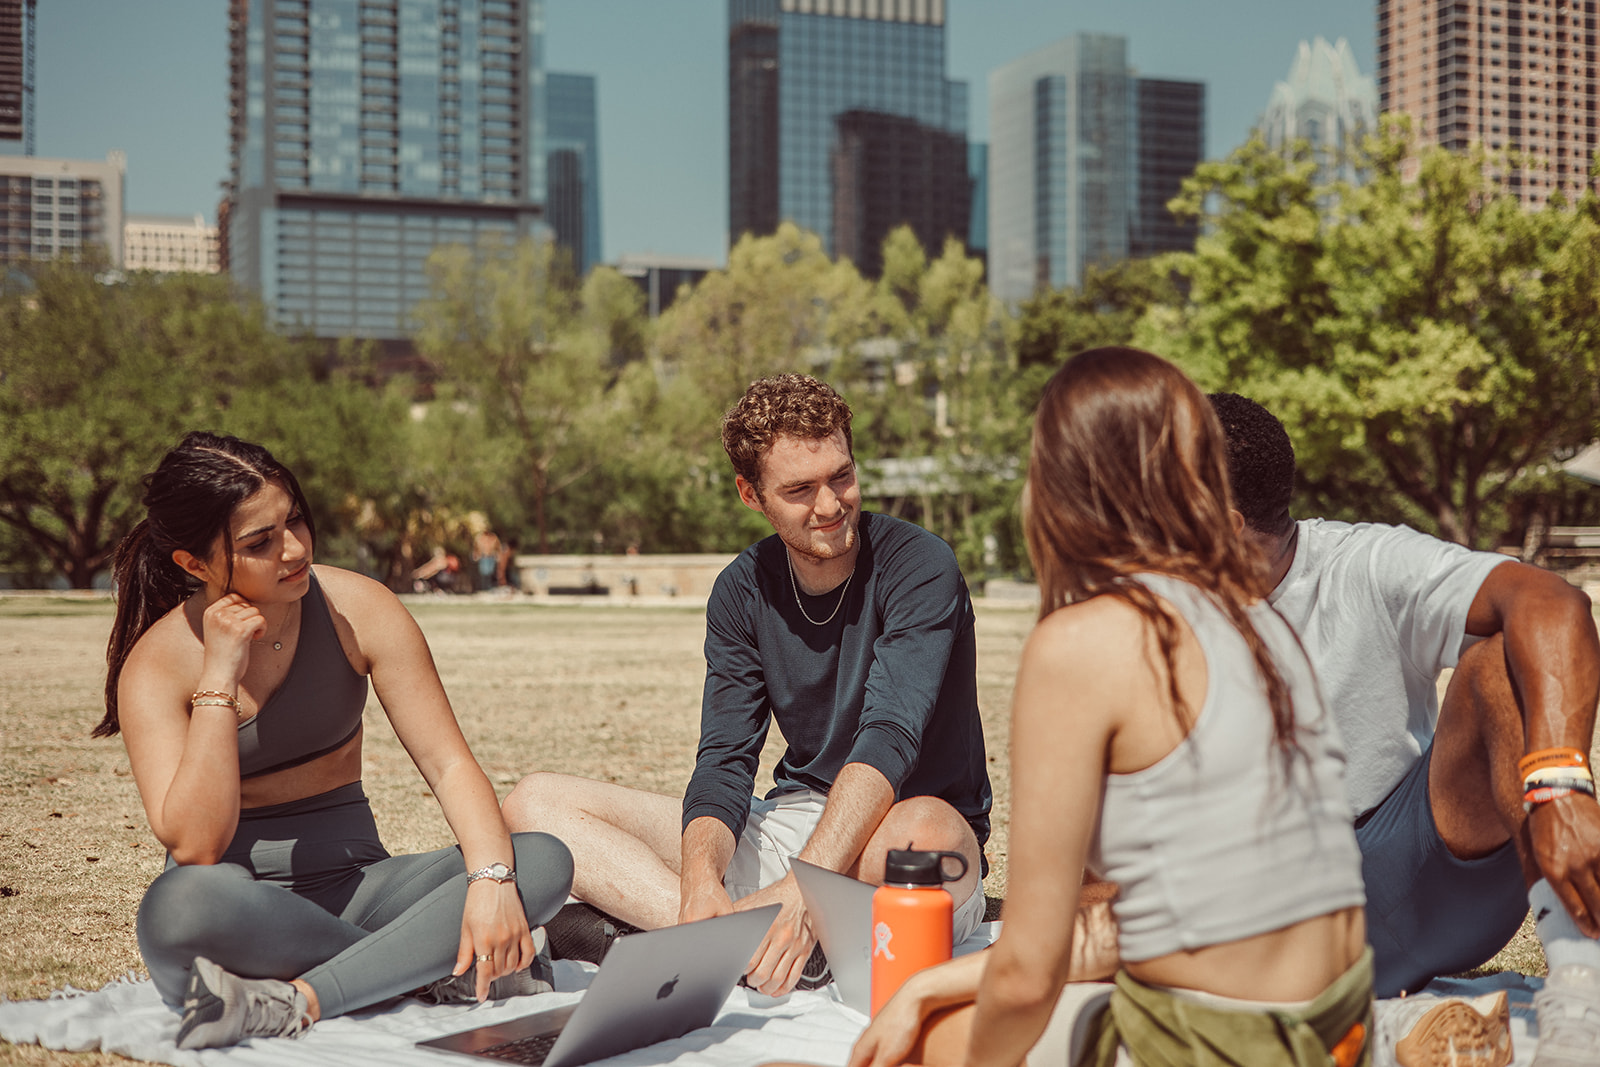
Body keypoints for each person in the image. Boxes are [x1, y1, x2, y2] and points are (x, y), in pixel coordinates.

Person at [844, 348, 1372, 1067]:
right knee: (945, 1009)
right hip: (1339, 1025)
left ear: (1059, 480)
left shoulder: (1086, 642)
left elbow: (1028, 974)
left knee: (910, 1050)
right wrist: (938, 981)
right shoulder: (1258, 617)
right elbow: (1156, 917)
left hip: (1228, 1043)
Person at [503, 374, 993, 996]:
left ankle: (709, 935)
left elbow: (889, 737)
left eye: (841, 475)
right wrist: (700, 876)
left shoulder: (920, 565)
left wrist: (802, 887)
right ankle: (755, 943)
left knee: (923, 838)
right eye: (798, 488)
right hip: (793, 824)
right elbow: (725, 761)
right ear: (750, 493)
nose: (829, 504)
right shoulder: (740, 590)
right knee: (534, 805)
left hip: (899, 829)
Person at [97, 432, 573, 1050]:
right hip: (243, 913)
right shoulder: (157, 665)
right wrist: (218, 677)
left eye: (294, 519)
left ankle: (301, 999)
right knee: (177, 910)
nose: (293, 548)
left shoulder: (358, 607)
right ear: (195, 564)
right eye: (259, 543)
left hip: (364, 891)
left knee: (538, 860)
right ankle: (425, 970)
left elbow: (449, 764)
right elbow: (196, 843)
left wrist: (490, 882)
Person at [1208, 393, 1600, 1059]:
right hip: (1266, 916)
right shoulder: (1145, 613)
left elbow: (1550, 600)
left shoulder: (1361, 564)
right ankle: (1381, 1021)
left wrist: (1559, 784)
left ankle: (1582, 985)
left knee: (1496, 658)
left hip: (1423, 873)